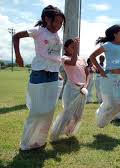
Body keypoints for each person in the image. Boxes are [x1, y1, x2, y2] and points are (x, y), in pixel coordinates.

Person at [13, 5, 65, 150]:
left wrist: (58, 72)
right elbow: (16, 36)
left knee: (48, 111)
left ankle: (39, 141)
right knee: (37, 111)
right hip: (39, 73)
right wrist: (18, 55)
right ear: (46, 19)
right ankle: (26, 143)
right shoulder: (38, 31)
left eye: (61, 23)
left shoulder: (56, 36)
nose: (58, 26)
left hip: (54, 76)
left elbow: (55, 57)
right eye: (56, 22)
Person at [50, 38, 89, 141]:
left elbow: (87, 73)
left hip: (82, 90)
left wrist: (85, 85)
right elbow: (72, 62)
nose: (74, 48)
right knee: (68, 113)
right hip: (71, 89)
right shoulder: (64, 58)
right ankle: (55, 134)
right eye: (72, 47)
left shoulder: (82, 59)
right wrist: (76, 48)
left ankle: (68, 131)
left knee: (78, 116)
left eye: (75, 46)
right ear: (66, 48)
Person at [89, 24, 120, 128]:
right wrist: (100, 70)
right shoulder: (107, 45)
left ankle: (102, 116)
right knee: (109, 102)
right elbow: (92, 56)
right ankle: (101, 119)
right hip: (109, 77)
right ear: (115, 34)